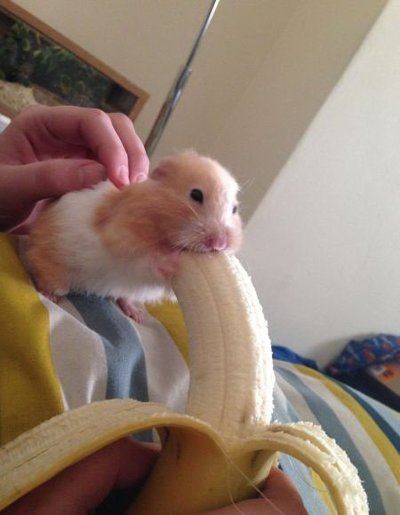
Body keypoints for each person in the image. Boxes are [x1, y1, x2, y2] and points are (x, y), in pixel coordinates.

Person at [0, 105, 306, 514]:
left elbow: (164, 282)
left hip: (118, 283)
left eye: (232, 211)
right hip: (72, 261)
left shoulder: (196, 232)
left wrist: (154, 275)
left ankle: (124, 295)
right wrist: (152, 265)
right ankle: (56, 279)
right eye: (196, 198)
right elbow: (114, 242)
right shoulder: (126, 205)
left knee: (136, 291)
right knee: (58, 274)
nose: (219, 236)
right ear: (158, 179)